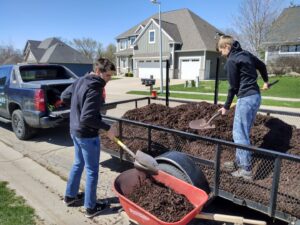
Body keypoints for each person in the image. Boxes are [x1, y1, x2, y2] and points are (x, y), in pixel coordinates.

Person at [61, 57, 117, 218]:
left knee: (78, 163)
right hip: (86, 135)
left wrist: (77, 105)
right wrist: (108, 128)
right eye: (108, 76)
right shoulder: (95, 87)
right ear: (98, 72)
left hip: (74, 130)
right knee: (92, 171)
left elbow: (65, 96)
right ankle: (91, 207)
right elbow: (87, 118)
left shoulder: (81, 80)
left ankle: (70, 197)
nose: (109, 79)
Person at [217, 35, 269, 180]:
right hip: (255, 97)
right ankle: (240, 161)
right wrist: (265, 81)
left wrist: (226, 106)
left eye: (221, 50)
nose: (221, 53)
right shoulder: (246, 54)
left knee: (239, 134)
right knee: (244, 132)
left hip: (245, 98)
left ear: (227, 47)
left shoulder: (232, 60)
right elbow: (262, 66)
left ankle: (245, 169)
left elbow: (233, 87)